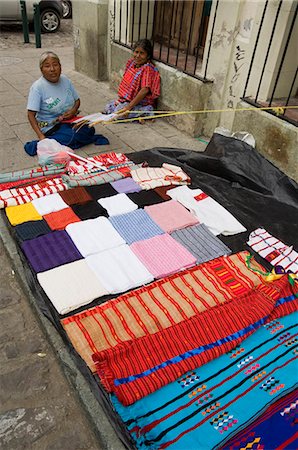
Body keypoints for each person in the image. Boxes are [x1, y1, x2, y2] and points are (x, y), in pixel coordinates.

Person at [25, 51, 108, 156]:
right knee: (72, 136)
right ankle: (40, 144)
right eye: (47, 66)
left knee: (89, 128)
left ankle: (57, 143)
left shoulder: (65, 80)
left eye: (55, 65)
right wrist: (41, 136)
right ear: (41, 70)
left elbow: (77, 101)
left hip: (69, 121)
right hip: (51, 127)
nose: (52, 69)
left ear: (60, 66)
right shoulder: (37, 87)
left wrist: (73, 111)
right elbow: (30, 115)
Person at [103, 39, 160, 119]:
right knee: (108, 108)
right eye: (136, 52)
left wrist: (129, 107)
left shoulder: (147, 69)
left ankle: (146, 110)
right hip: (128, 101)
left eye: (142, 53)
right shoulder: (132, 63)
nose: (137, 56)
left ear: (148, 56)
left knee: (117, 115)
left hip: (141, 102)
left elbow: (145, 90)